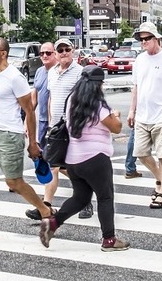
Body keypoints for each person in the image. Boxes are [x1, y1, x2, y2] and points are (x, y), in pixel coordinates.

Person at [0, 37, 54, 244]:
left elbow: (29, 111)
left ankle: (45, 210)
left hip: (10, 135)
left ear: (3, 54)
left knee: (14, 183)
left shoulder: (15, 77)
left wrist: (32, 143)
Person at [39, 65, 130, 251]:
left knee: (81, 198)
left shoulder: (71, 99)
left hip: (73, 160)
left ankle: (53, 223)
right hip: (96, 158)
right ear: (98, 84)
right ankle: (109, 240)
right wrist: (116, 115)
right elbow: (116, 127)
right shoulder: (98, 104)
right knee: (105, 198)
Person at [126, 21, 162, 209]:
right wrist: (131, 110)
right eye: (140, 39)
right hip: (143, 116)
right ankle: (161, 178)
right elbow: (136, 87)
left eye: (146, 39)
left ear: (156, 38)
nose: (143, 42)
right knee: (141, 153)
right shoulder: (140, 60)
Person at [33, 38, 84, 219]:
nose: (63, 53)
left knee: (73, 166)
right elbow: (50, 98)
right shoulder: (52, 73)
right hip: (55, 127)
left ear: (73, 50)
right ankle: (45, 206)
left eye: (67, 49)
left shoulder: (80, 72)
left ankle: (85, 198)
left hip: (72, 126)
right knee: (53, 165)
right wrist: (49, 122)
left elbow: (83, 100)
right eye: (60, 50)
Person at [31, 41, 57, 142]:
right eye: (42, 53)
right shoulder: (39, 71)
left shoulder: (59, 71)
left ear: (55, 54)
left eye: (48, 53)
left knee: (55, 154)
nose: (44, 56)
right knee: (41, 152)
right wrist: (26, 122)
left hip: (56, 121)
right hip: (42, 121)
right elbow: (34, 98)